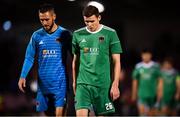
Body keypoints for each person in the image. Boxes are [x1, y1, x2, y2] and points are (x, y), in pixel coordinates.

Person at [18, 3, 72, 116]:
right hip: (43, 85)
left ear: (54, 16)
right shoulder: (36, 35)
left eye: (47, 19)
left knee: (60, 114)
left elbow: (75, 57)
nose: (44, 23)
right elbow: (29, 57)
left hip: (60, 83)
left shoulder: (65, 34)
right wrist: (23, 76)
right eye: (41, 20)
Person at [72, 5, 123, 116]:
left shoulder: (110, 33)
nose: (89, 25)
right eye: (86, 21)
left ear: (99, 18)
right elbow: (75, 61)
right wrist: (74, 82)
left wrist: (115, 84)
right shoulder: (77, 34)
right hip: (83, 85)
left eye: (92, 21)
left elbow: (117, 62)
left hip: (103, 85)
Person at [131, 49, 163, 116]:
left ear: (150, 55)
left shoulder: (155, 66)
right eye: (144, 55)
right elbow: (135, 81)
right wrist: (134, 94)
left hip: (153, 94)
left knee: (152, 114)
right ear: (141, 56)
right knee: (142, 114)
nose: (146, 56)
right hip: (141, 94)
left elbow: (160, 81)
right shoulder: (138, 67)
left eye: (147, 54)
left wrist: (160, 92)